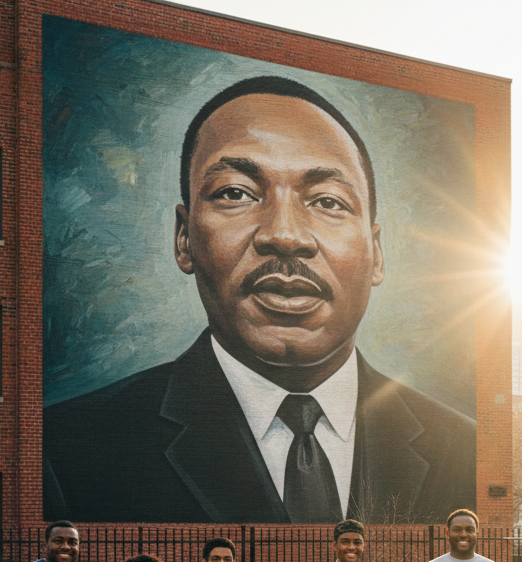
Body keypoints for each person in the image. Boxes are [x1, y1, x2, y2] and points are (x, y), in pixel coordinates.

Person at [43, 75, 475, 525]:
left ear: (377, 253)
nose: (284, 235)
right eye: (236, 193)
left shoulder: (464, 451)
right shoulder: (66, 449)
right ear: (184, 239)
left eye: (328, 201)